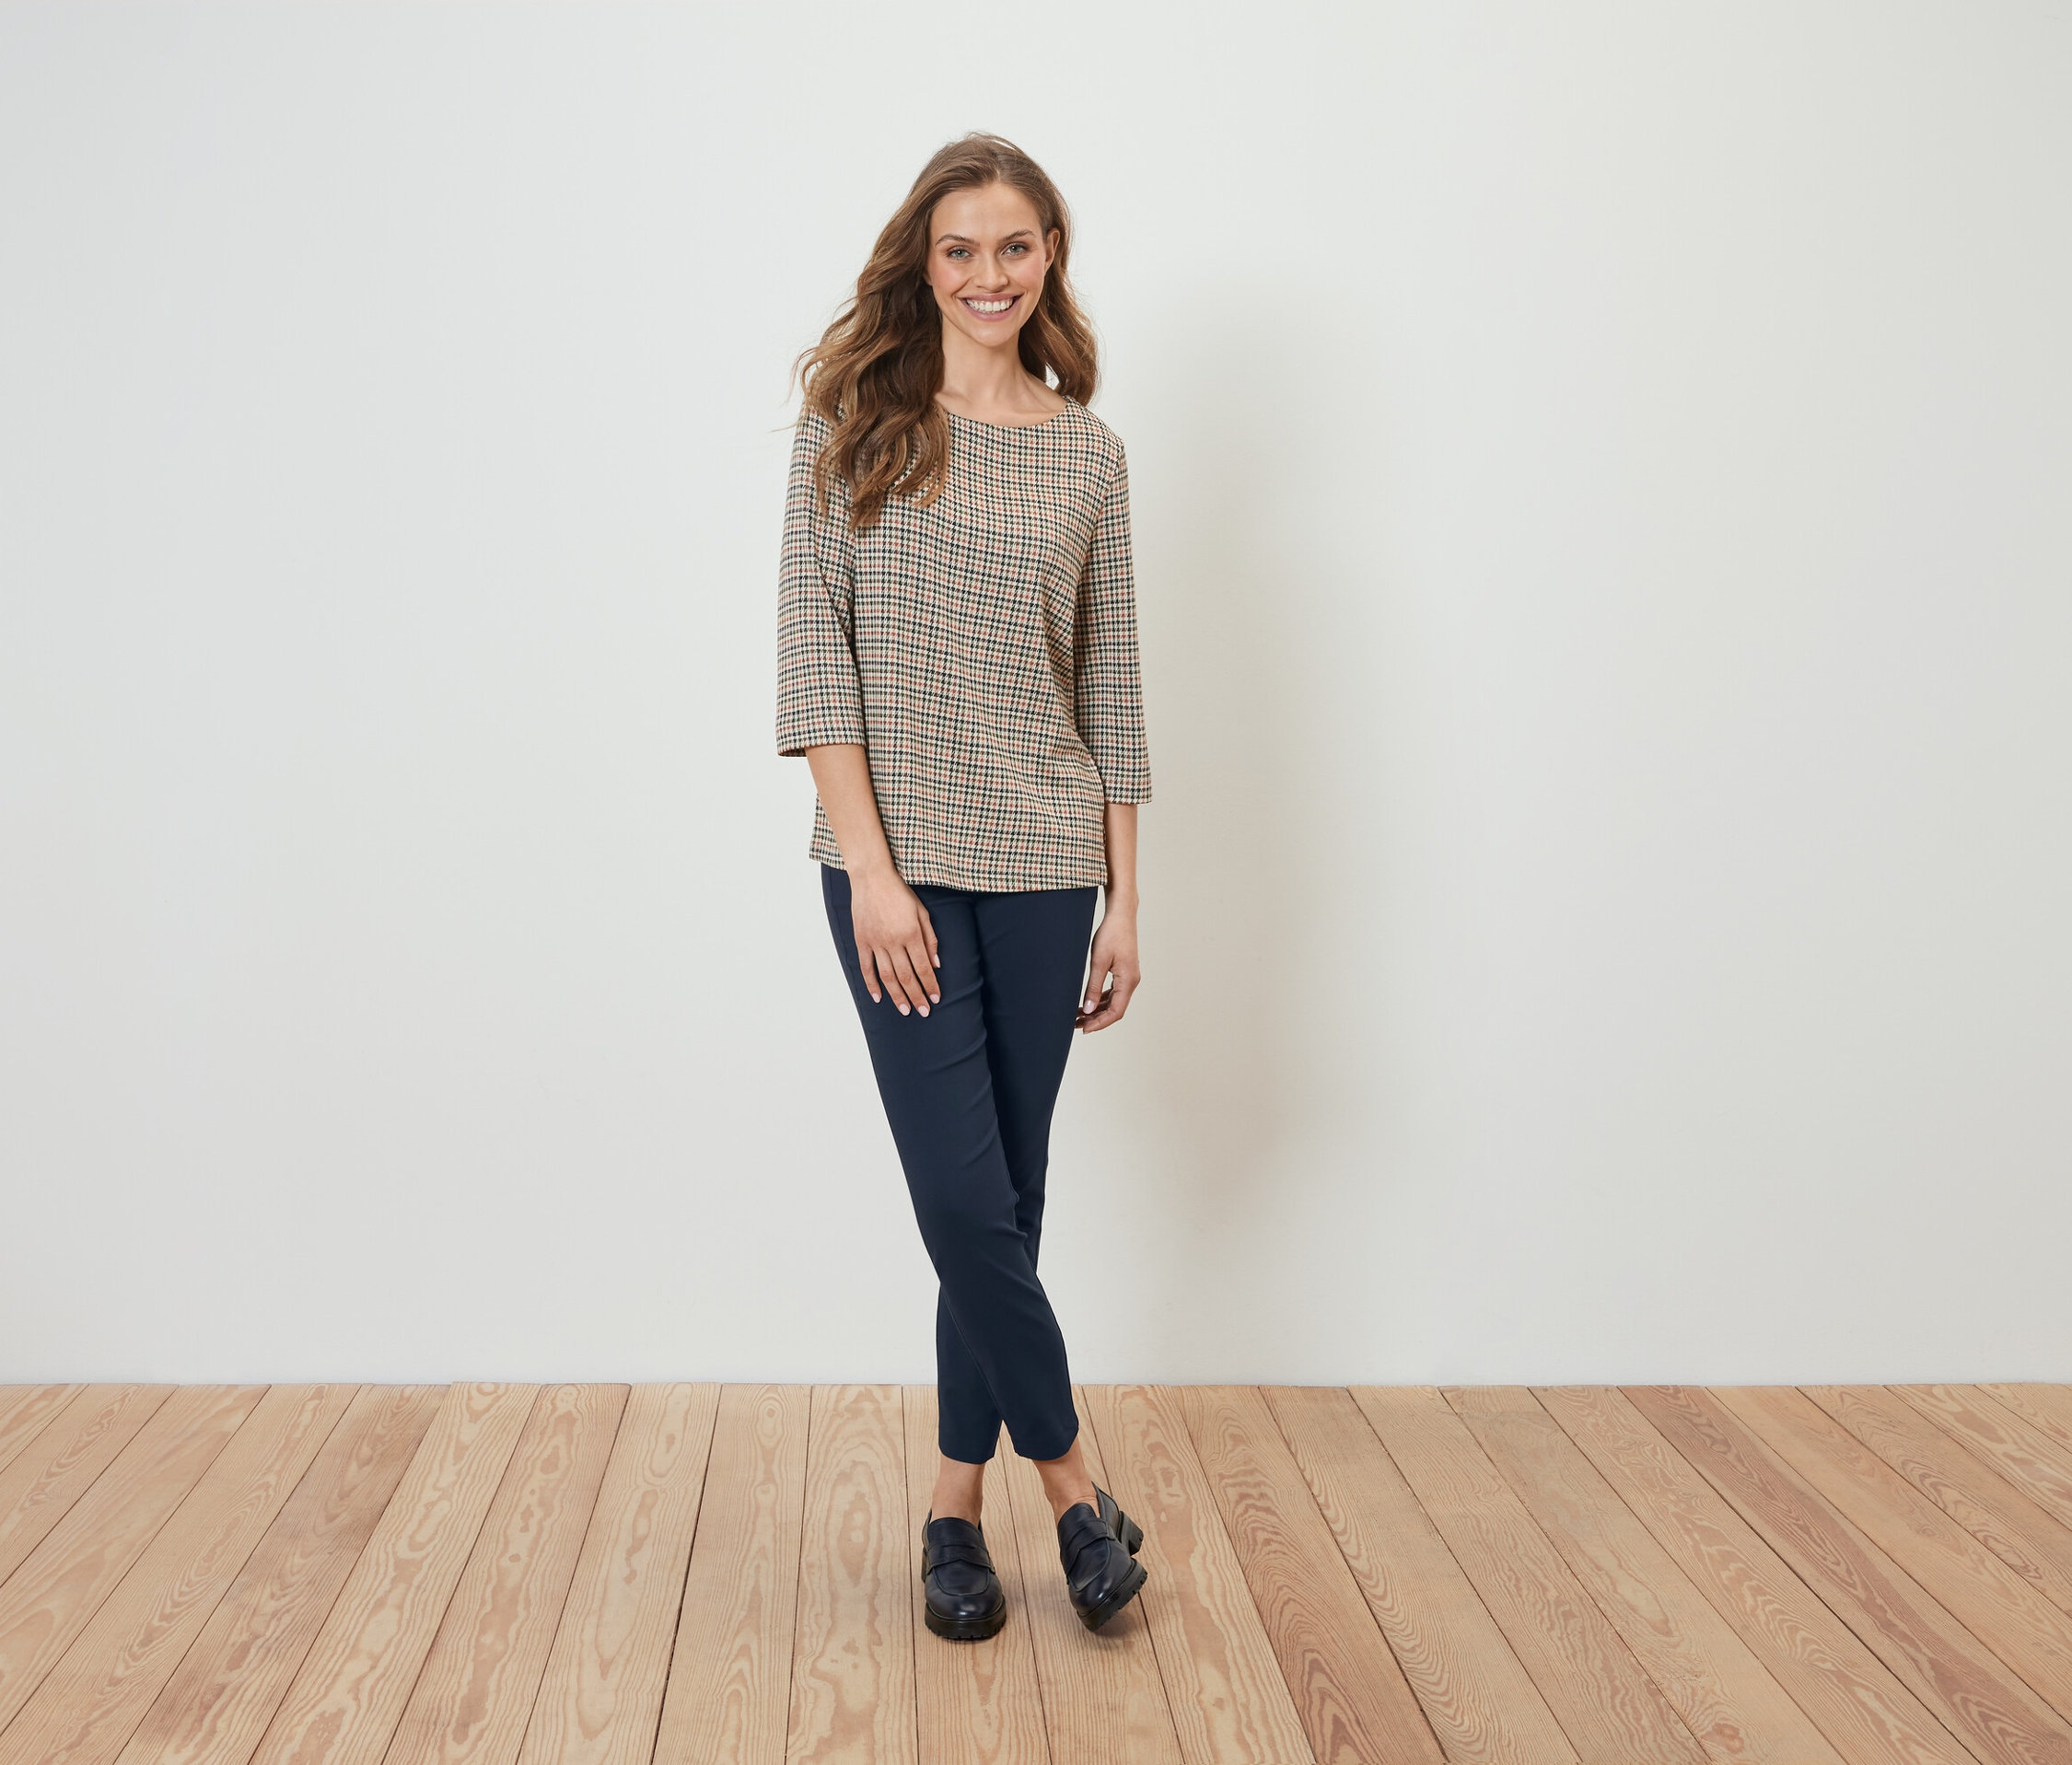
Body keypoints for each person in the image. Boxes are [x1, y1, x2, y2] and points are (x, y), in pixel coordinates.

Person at [775, 134, 1151, 1639]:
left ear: (1047, 254)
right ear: (920, 263)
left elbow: (1110, 685)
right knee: (960, 1197)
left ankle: (949, 1511)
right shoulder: (848, 428)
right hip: (898, 879)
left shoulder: (1087, 454)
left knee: (1003, 1204)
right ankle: (1075, 1493)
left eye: (1013, 246)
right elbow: (815, 666)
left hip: (1049, 867)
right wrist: (872, 873)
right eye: (958, 249)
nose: (987, 275)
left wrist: (1126, 899)